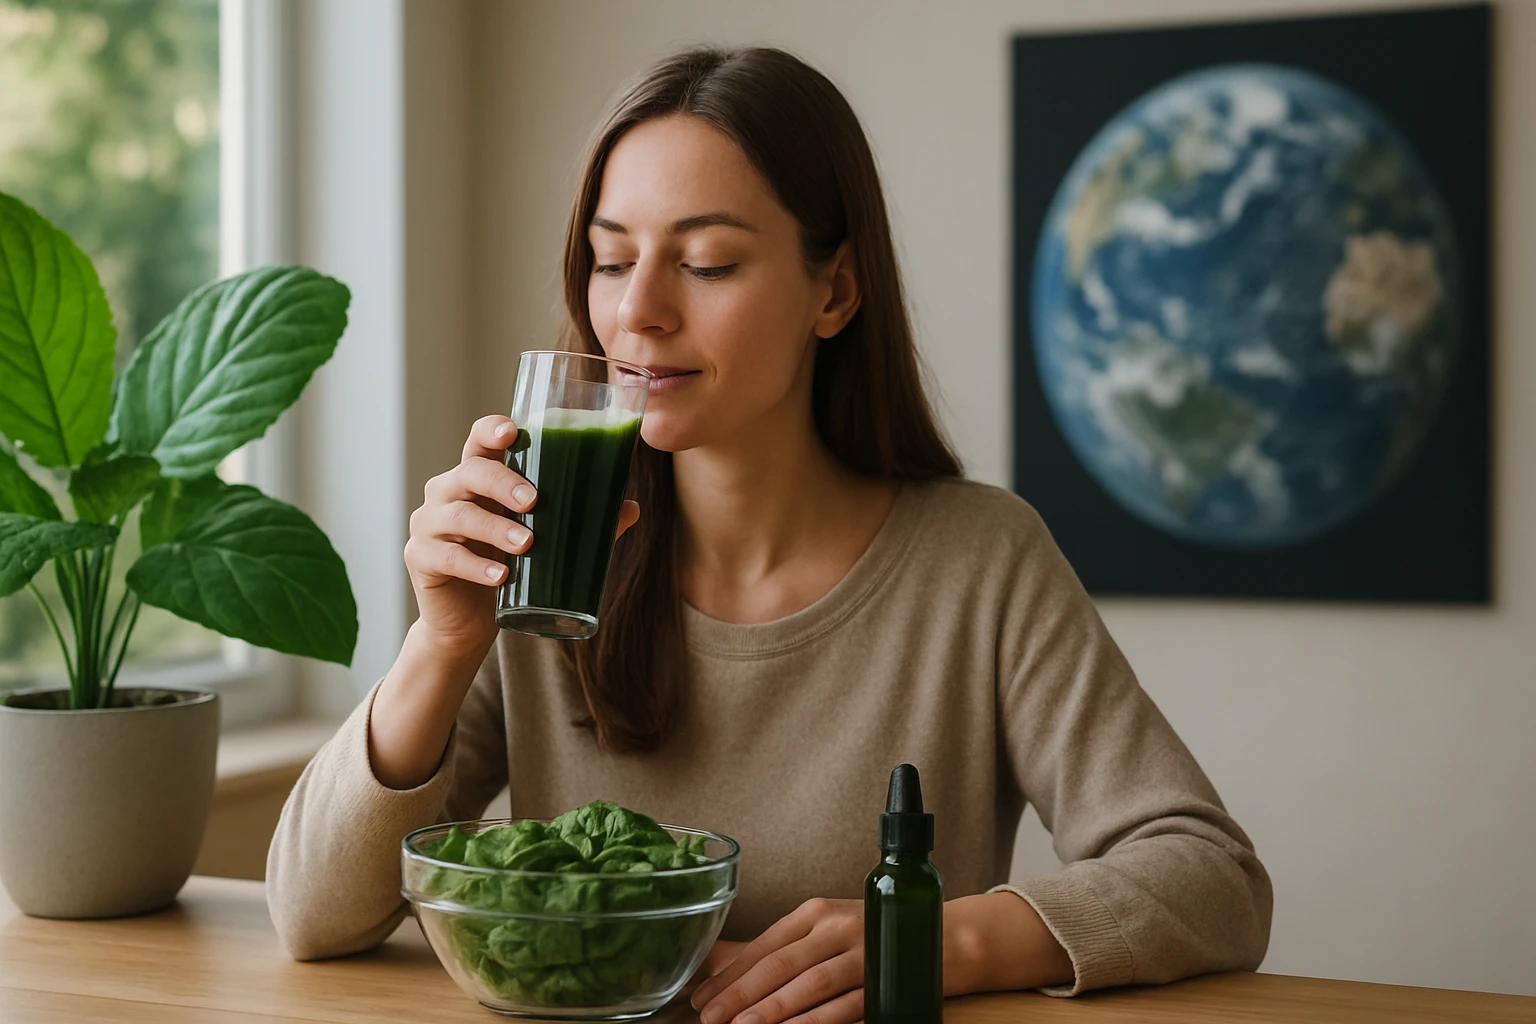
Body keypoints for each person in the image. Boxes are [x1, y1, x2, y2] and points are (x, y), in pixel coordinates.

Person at [267, 44, 1272, 1023]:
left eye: (705, 262)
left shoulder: (981, 561)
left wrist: (935, 942)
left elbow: (1211, 876)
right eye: (611, 260)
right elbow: (312, 914)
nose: (639, 312)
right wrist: (441, 644)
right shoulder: (549, 559)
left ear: (833, 291)